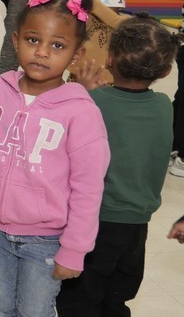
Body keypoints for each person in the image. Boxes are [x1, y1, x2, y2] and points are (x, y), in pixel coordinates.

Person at [0, 0, 111, 317]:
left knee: (34, 311)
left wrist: (75, 250)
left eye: (57, 45)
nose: (42, 52)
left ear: (75, 55)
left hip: (46, 239)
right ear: (15, 41)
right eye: (33, 40)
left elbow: (88, 188)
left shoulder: (81, 112)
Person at [55, 18, 176, 316]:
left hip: (95, 221)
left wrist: (82, 90)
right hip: (136, 225)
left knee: (79, 299)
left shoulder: (91, 102)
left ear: (108, 59)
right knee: (116, 298)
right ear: (165, 72)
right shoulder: (163, 105)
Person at [67, 0, 129, 88]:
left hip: (107, 81)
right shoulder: (86, 17)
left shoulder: (124, 22)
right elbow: (71, 9)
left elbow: (113, 20)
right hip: (80, 76)